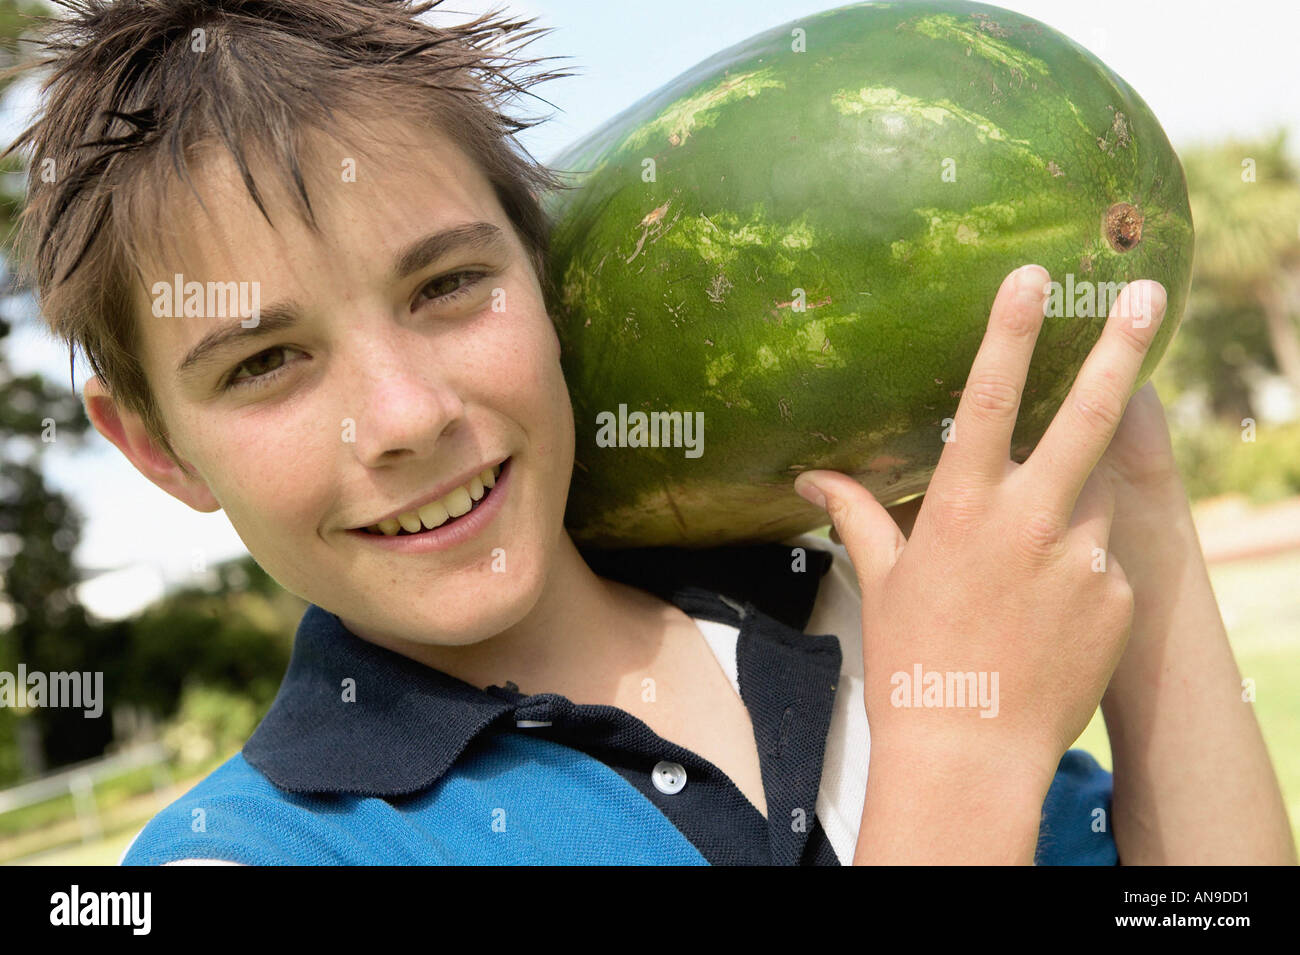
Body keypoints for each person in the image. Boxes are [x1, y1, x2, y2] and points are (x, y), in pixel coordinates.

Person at [4, 0, 1293, 865]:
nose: (405, 418)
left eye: (449, 287)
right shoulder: (255, 852)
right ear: (158, 448)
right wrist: (959, 769)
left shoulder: (834, 623)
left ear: (556, 280)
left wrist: (1135, 494)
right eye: (267, 361)